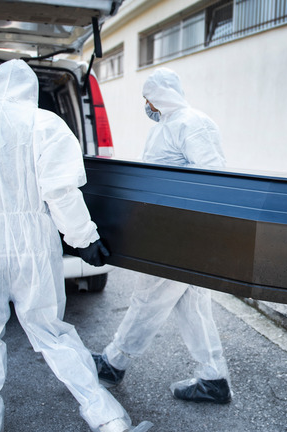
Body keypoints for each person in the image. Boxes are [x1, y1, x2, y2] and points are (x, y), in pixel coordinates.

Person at [0, 59, 152, 432]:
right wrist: (83, 238)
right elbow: (60, 191)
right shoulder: (45, 124)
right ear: (30, 89)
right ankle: (106, 418)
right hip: (33, 237)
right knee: (50, 329)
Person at [91, 67, 231, 404]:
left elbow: (213, 178)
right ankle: (214, 380)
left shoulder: (192, 123)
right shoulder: (168, 126)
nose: (146, 105)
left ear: (159, 96)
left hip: (180, 232)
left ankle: (114, 362)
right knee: (193, 305)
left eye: (147, 98)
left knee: (148, 297)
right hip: (172, 228)